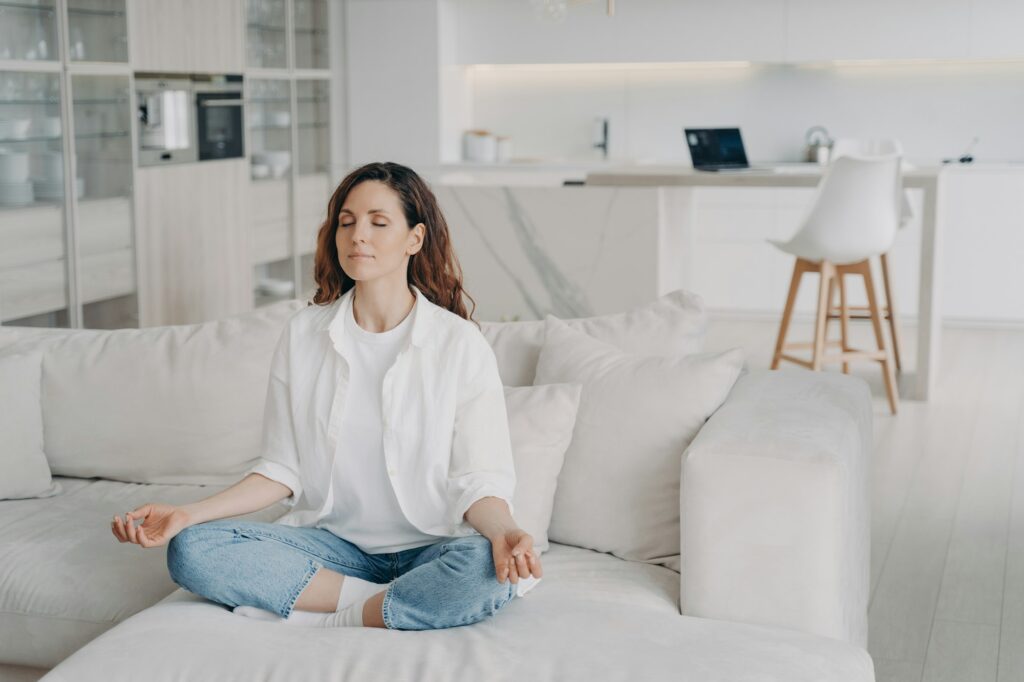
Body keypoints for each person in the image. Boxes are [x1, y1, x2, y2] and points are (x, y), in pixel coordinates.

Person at [110, 161, 542, 630]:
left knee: (482, 569)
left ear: (414, 239)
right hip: (334, 549)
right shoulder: (303, 334)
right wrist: (187, 514)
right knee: (193, 549)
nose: (358, 236)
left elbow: (479, 480)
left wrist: (505, 533)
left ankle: (331, 614)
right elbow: (281, 468)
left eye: (379, 223)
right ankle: (386, 605)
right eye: (347, 221)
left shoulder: (459, 344)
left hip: (432, 547)